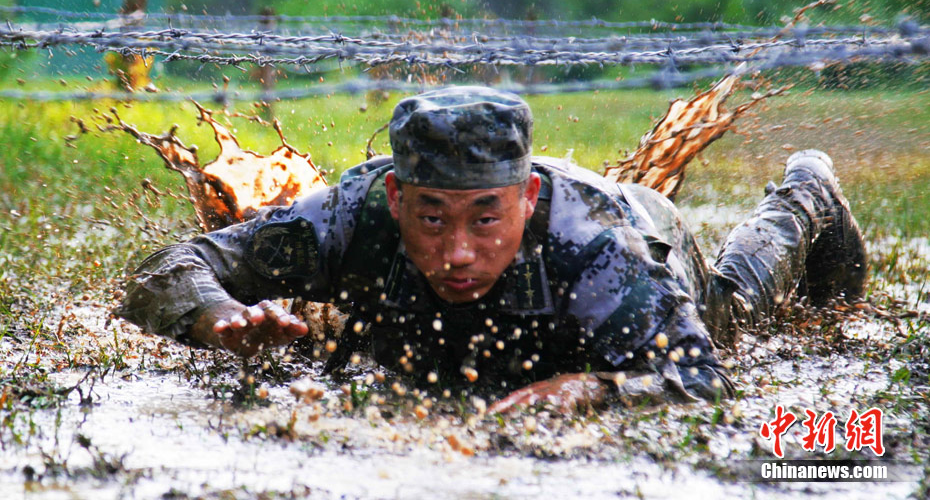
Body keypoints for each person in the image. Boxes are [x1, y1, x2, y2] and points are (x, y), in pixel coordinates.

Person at [117, 86, 867, 412]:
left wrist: (590, 389)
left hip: (646, 227)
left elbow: (700, 377)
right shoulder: (350, 215)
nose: (457, 252)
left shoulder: (597, 251)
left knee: (735, 307)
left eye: (485, 220)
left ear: (526, 200)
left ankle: (805, 191)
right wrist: (215, 316)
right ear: (396, 199)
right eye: (431, 218)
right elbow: (169, 266)